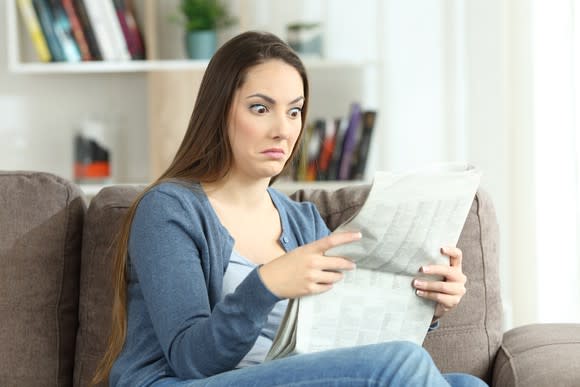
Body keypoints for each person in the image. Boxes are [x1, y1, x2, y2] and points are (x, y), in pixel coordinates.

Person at [93, 31, 487, 387]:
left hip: (283, 376)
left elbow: (344, 341)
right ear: (219, 112)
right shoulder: (169, 209)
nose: (283, 129)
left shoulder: (302, 222)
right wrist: (265, 285)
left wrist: (423, 302)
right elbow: (191, 360)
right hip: (184, 382)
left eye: (294, 111)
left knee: (468, 386)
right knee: (401, 364)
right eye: (261, 108)